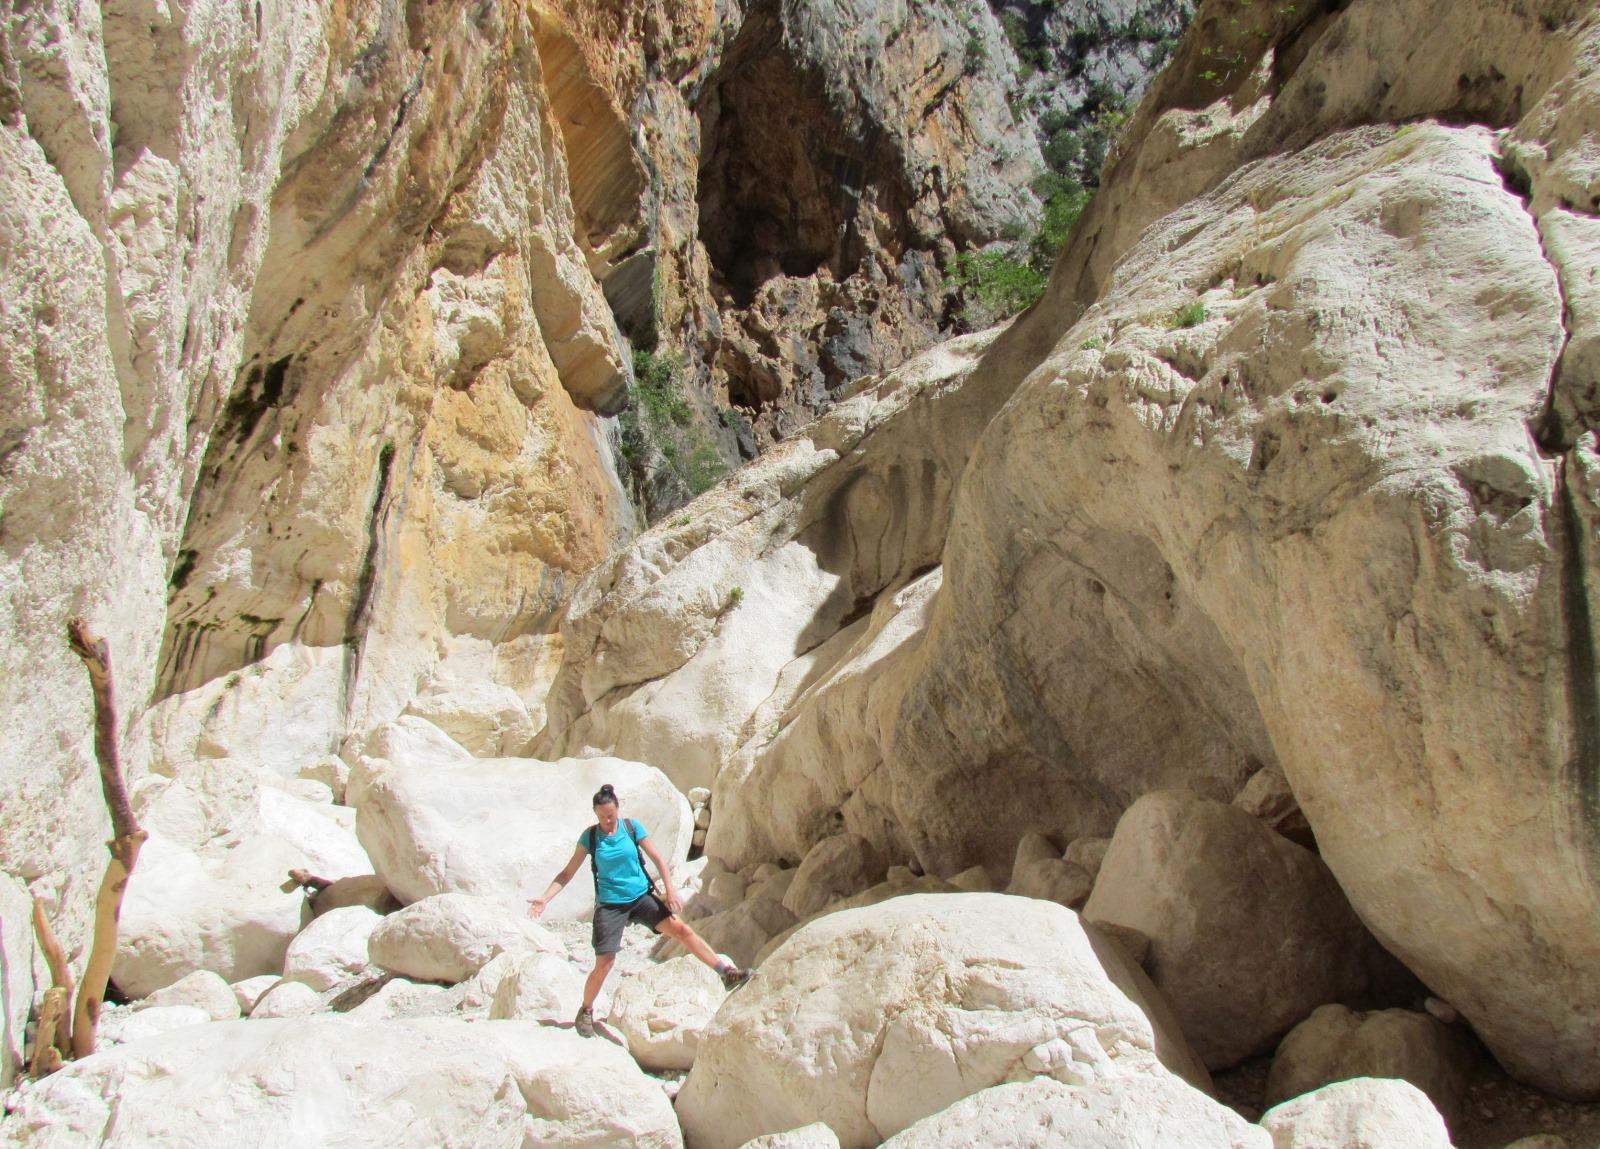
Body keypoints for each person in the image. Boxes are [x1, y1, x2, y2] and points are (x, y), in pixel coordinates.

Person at [528, 783, 751, 1037]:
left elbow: (658, 859)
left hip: (640, 897)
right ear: (596, 814)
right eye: (602, 817)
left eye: (610, 815)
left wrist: (670, 889)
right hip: (610, 906)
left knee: (682, 930)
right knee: (605, 963)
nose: (607, 821)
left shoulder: (631, 828)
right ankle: (586, 1010)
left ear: (617, 808)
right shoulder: (590, 837)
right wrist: (545, 898)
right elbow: (567, 873)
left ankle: (725, 973)